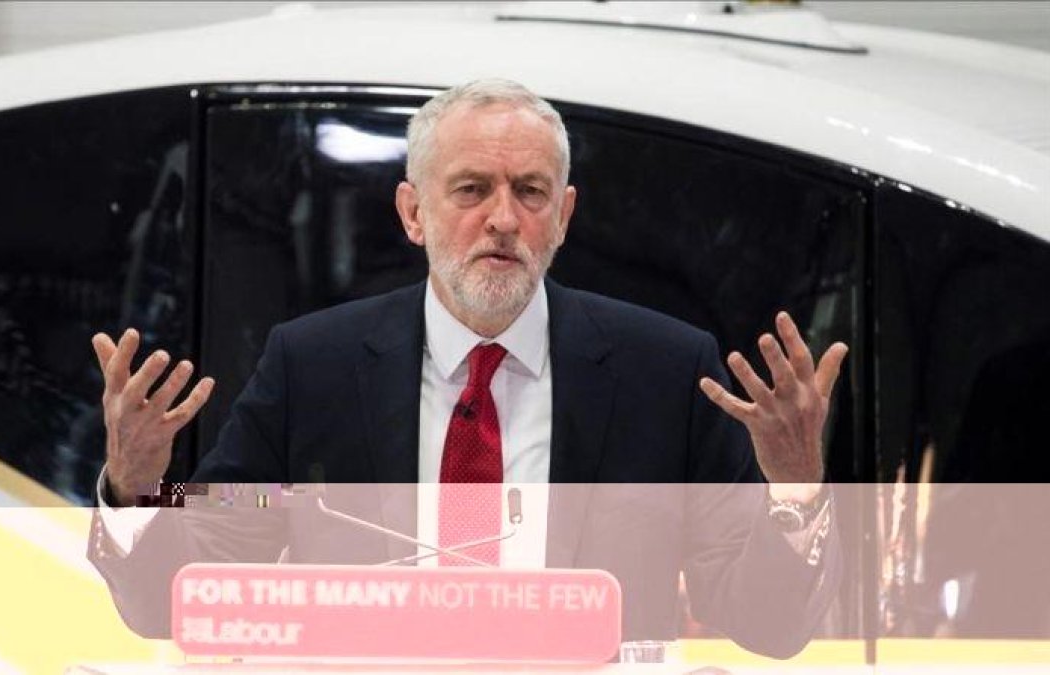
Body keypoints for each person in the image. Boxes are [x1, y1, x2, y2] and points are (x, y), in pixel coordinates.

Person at [87, 79, 847, 658]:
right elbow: (179, 589)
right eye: (473, 189)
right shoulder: (311, 366)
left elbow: (769, 624)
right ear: (414, 213)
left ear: (565, 216)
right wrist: (138, 488)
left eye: (530, 191)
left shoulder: (666, 371)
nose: (505, 218)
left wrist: (796, 488)